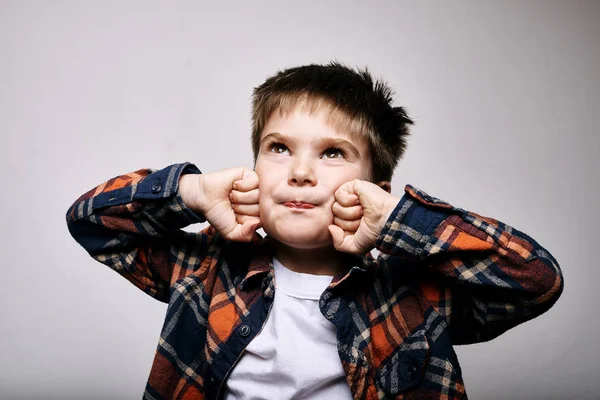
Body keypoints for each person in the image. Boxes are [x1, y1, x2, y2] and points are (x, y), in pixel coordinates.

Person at [66, 62, 563, 399]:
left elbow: (536, 280)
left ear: (375, 189)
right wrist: (191, 193)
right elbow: (90, 220)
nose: (300, 172)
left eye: (332, 153)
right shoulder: (203, 270)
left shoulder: (412, 292)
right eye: (279, 147)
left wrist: (398, 221)